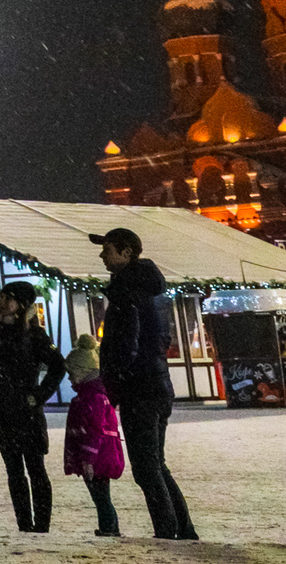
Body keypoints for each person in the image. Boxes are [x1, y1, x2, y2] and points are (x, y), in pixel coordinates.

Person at [93, 226, 197, 540]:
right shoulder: (147, 289)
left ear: (127, 252)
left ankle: (168, 530)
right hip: (155, 383)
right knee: (155, 463)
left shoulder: (129, 291)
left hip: (141, 388)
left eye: (108, 249)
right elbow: (155, 339)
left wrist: (117, 378)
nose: (102, 255)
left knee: (146, 467)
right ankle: (182, 528)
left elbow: (128, 343)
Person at [0, 280, 66, 533]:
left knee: (36, 470)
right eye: (2, 297)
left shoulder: (34, 334)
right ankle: (24, 524)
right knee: (14, 472)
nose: (2, 303)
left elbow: (58, 366)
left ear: (22, 304)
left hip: (27, 413)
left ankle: (42, 524)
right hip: (1, 413)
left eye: (9, 298)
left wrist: (38, 394)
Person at [62, 338, 125, 536]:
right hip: (99, 454)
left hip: (99, 457)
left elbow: (95, 431)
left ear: (83, 372)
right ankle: (109, 527)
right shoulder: (89, 397)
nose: (70, 379)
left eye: (72, 374)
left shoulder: (93, 398)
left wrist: (88, 459)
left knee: (100, 495)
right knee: (100, 494)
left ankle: (109, 527)